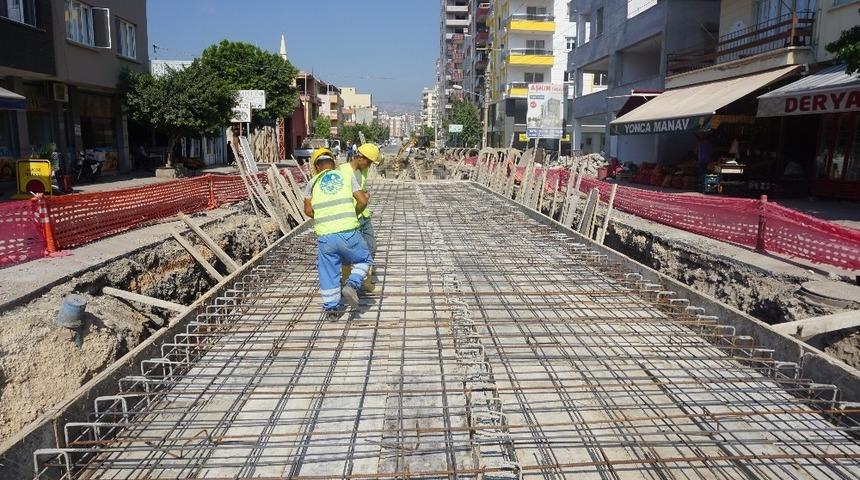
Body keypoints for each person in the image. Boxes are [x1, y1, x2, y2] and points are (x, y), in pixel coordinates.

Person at [304, 147, 373, 320]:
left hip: (326, 237)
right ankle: (352, 283)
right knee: (364, 258)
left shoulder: (312, 183)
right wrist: (354, 212)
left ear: (317, 167)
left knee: (328, 272)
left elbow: (307, 210)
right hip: (348, 232)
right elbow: (363, 200)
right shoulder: (346, 176)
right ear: (334, 163)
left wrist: (324, 216)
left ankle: (332, 311)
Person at [338, 143, 381, 290]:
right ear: (360, 157)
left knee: (371, 247)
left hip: (363, 215)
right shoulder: (341, 170)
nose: (369, 166)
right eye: (368, 162)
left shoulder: (363, 171)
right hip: (348, 217)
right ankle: (345, 280)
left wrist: (365, 194)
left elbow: (362, 190)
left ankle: (366, 281)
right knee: (346, 251)